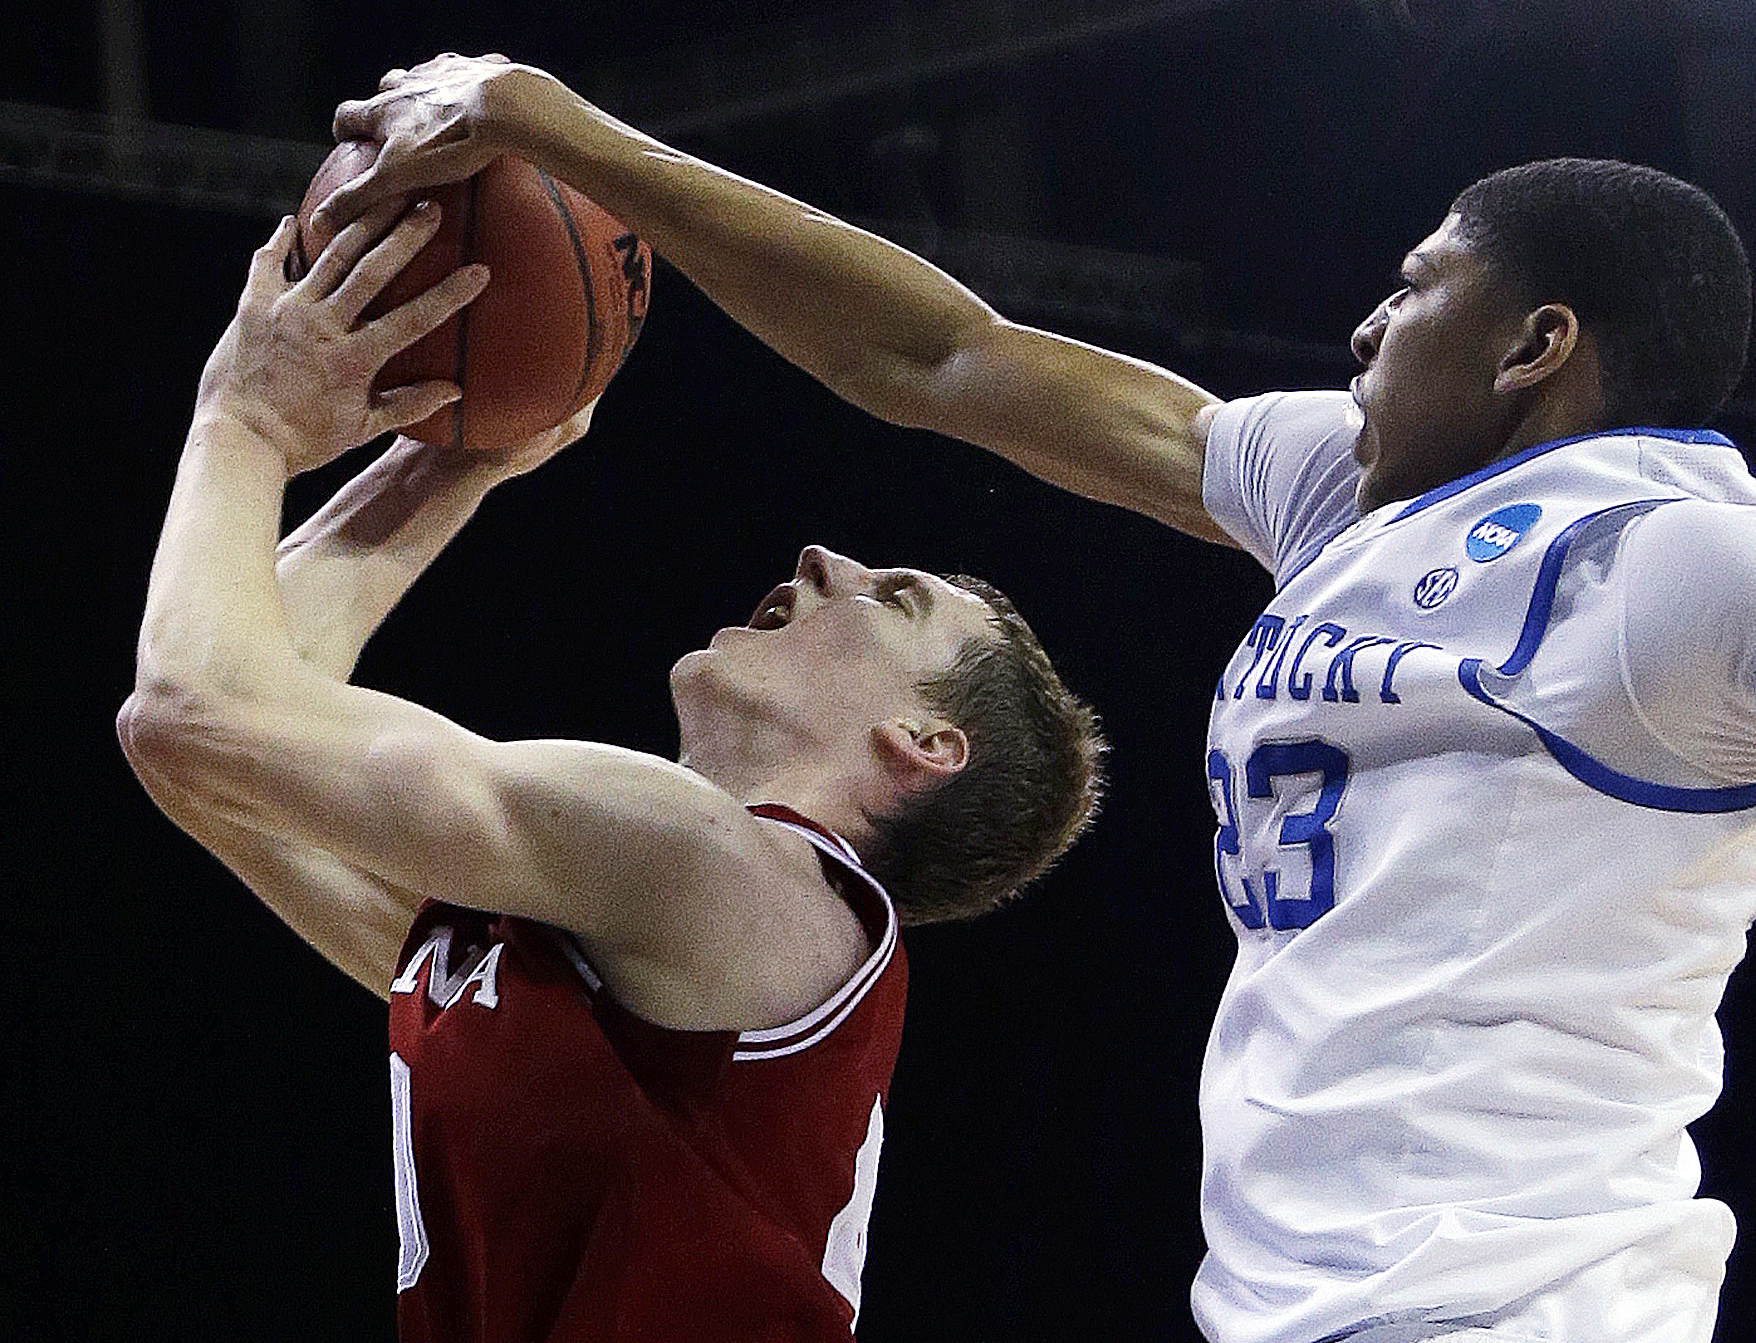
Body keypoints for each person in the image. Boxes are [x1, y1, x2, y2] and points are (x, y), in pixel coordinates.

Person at [313, 54, 1756, 1343]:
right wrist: (568, 129)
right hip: (1291, 1305)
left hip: (1527, 1301)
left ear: (1534, 343)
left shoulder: (1698, 563)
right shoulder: (1338, 498)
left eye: (1417, 286)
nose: (1363, 322)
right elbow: (940, 360)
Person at [117, 196, 1103, 1342]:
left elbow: (203, 707)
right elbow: (205, 742)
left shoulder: (721, 869)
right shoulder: (606, 953)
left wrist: (247, 416)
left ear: (924, 746)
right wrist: (448, 464)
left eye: (896, 597)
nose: (823, 555)